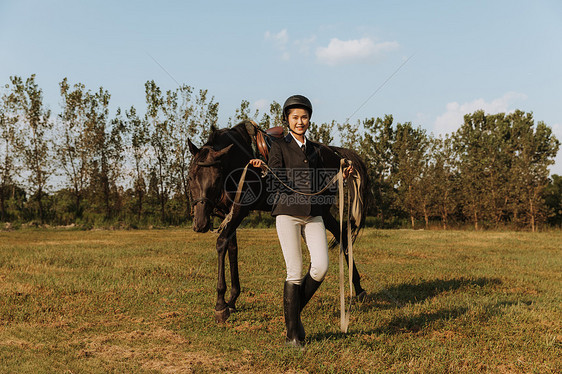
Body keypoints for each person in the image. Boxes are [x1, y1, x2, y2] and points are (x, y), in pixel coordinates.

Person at [250, 95, 353, 347]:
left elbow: (321, 181)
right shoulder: (279, 147)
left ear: (309, 120)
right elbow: (273, 176)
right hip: (287, 212)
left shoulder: (315, 150)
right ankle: (293, 334)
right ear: (286, 119)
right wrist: (263, 168)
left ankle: (292, 316)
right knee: (294, 271)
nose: (300, 121)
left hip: (313, 214)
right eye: (295, 117)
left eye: (304, 117)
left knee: (320, 267)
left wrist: (342, 175)